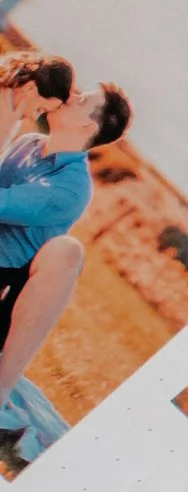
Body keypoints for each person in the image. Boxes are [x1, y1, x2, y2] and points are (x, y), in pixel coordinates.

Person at [0, 73, 131, 422]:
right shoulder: (28, 143)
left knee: (67, 250)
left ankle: (1, 389)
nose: (70, 96)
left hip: (4, 287)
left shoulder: (71, 188)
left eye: (82, 100)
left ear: (88, 125)